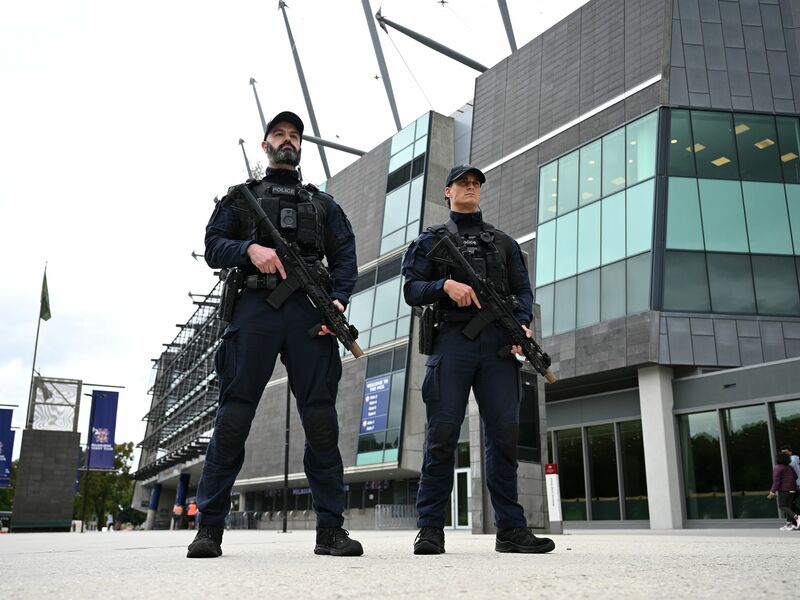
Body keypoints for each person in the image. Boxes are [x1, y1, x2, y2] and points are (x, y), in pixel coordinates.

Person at [187, 111, 362, 559]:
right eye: (279, 134)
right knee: (233, 417)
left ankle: (330, 530)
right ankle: (209, 528)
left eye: (294, 136)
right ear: (265, 145)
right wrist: (249, 249)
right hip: (255, 308)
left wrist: (338, 301)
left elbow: (345, 257)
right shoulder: (241, 198)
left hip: (309, 313)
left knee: (321, 420)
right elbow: (212, 245)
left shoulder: (323, 204)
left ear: (301, 147)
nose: (287, 140)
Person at [401, 164, 555, 555]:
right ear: (447, 192)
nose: (470, 188)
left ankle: (511, 529)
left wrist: (522, 326)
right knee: (442, 436)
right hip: (452, 342)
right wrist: (445, 285)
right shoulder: (431, 240)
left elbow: (522, 291)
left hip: (499, 347)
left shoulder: (503, 243)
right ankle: (431, 529)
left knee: (504, 435)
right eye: (462, 183)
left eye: (475, 184)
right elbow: (412, 290)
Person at [767, 452, 800, 530]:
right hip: (793, 490)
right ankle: (789, 524)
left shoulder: (778, 467)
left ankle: (797, 517)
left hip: (784, 490)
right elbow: (796, 477)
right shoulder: (790, 467)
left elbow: (776, 481)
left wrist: (772, 491)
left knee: (782, 506)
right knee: (788, 507)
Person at [780, 445, 800, 525]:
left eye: (786, 452)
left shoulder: (791, 461)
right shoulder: (795, 459)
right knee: (790, 504)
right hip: (796, 485)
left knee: (787, 505)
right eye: (783, 453)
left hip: (794, 486)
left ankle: (793, 521)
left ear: (790, 452)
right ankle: (792, 522)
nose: (784, 454)